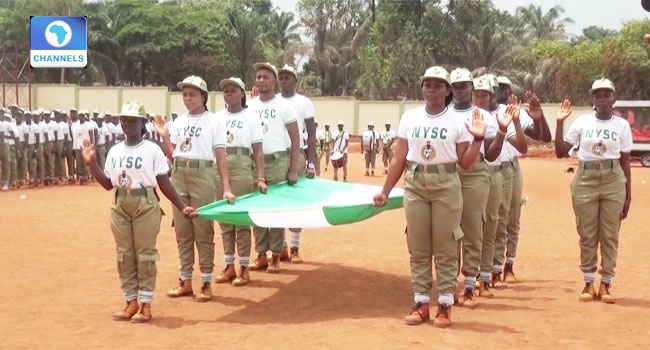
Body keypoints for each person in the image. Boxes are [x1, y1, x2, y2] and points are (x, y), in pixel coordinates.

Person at [373, 66, 486, 328]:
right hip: (415, 183)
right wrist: (385, 190)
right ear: (422, 87)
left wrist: (477, 140)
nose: (432, 90)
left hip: (446, 183)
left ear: (447, 91)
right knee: (419, 246)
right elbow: (399, 157)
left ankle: (445, 304)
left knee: (446, 247)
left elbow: (465, 163)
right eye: (428, 85)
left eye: (438, 86)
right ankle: (421, 302)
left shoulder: (457, 121)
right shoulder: (410, 118)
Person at [81, 102, 197, 323]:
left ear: (143, 123)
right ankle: (130, 301)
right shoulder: (115, 150)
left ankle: (145, 303)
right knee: (124, 255)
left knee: (145, 254)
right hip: (120, 204)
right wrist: (92, 162)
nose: (127, 124)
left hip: (145, 203)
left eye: (133, 120)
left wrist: (181, 206)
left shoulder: (152, 149)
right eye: (124, 119)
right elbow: (107, 184)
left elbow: (164, 182)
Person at [155, 75, 234, 303]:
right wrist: (164, 137)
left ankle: (206, 281)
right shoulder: (178, 122)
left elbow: (220, 156)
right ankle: (185, 280)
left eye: (192, 94)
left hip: (203, 174)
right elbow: (173, 154)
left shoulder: (215, 121)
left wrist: (226, 187)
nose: (188, 98)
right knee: (182, 230)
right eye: (185, 94)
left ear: (203, 97)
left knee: (203, 229)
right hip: (179, 173)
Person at [554, 78, 631, 304]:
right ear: (593, 99)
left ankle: (606, 283)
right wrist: (560, 124)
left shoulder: (622, 125)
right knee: (587, 233)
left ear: (613, 99)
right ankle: (588, 282)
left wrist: (628, 196)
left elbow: (625, 163)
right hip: (585, 179)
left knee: (609, 234)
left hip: (613, 180)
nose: (603, 99)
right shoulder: (582, 122)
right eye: (598, 95)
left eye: (607, 94)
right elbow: (560, 152)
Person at [449, 69, 520, 308]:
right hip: (450, 173)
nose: (459, 90)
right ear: (451, 89)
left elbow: (490, 155)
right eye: (455, 86)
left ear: (470, 87)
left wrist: (501, 131)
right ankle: (450, 286)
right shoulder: (445, 115)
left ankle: (470, 284)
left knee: (472, 227)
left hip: (476, 174)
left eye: (463, 86)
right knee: (449, 230)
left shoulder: (482, 116)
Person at [247, 62, 301, 273]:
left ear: (274, 81)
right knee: (257, 209)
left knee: (277, 209)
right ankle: (260, 254)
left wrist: (293, 169)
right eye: (258, 77)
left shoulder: (284, 106)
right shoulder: (250, 107)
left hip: (277, 162)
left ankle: (277, 255)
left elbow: (296, 139)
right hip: (254, 164)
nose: (261, 80)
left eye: (266, 77)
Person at [213, 77, 267, 286]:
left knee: (240, 220)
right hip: (220, 165)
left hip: (242, 164)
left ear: (242, 94)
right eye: (225, 90)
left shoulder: (250, 117)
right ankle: (229, 265)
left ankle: (244, 267)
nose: (228, 93)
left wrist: (260, 177)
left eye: (233, 90)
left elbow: (258, 151)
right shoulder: (216, 118)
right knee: (225, 219)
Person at [278, 64, 317, 263]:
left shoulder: (304, 102)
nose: (283, 80)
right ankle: (281, 247)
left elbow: (311, 134)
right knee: (277, 202)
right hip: (276, 156)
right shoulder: (272, 101)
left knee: (296, 201)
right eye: (281, 77)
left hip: (297, 155)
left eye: (287, 77)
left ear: (295, 80)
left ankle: (295, 246)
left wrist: (312, 162)